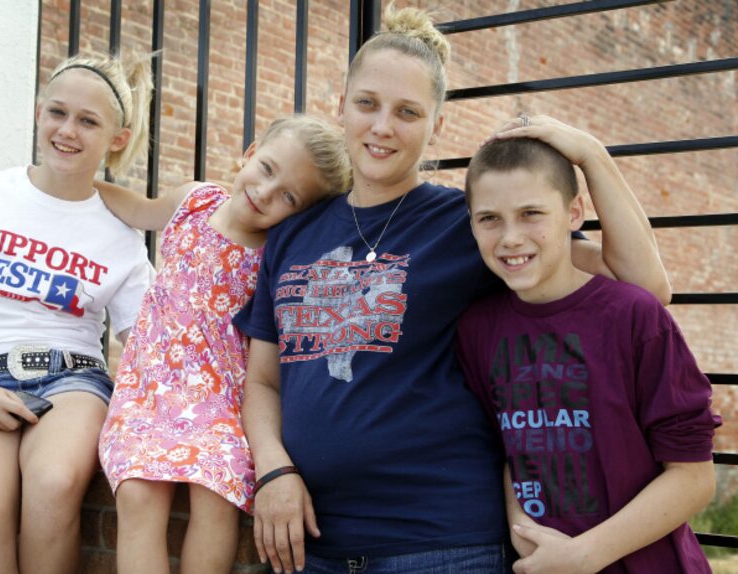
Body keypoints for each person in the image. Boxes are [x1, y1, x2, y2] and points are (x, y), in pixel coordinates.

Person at [234, 5, 671, 574]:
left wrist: (588, 153)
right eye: (367, 103)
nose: (382, 126)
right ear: (340, 105)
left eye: (408, 112)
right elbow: (264, 380)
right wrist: (273, 471)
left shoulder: (472, 221)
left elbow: (645, 284)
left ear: (437, 125)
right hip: (311, 544)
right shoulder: (294, 234)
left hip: (441, 545)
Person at [0, 52, 154, 573]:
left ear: (116, 137)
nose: (68, 131)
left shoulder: (120, 235)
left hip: (74, 380)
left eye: (88, 121)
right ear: (39, 112)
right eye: (58, 113)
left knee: (53, 484)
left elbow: (148, 347)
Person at [95, 114, 351, 574]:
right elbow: (137, 208)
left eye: (288, 197)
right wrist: (71, 185)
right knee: (137, 495)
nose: (265, 192)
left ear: (301, 213)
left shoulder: (275, 256)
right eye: (268, 169)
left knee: (215, 499)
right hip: (148, 391)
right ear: (251, 152)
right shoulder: (193, 201)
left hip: (220, 403)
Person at [457, 128, 718, 574]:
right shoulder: (477, 328)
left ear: (574, 212)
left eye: (531, 213)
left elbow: (694, 477)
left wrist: (585, 555)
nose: (511, 237)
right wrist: (525, 534)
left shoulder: (631, 315)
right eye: (490, 219)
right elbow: (509, 450)